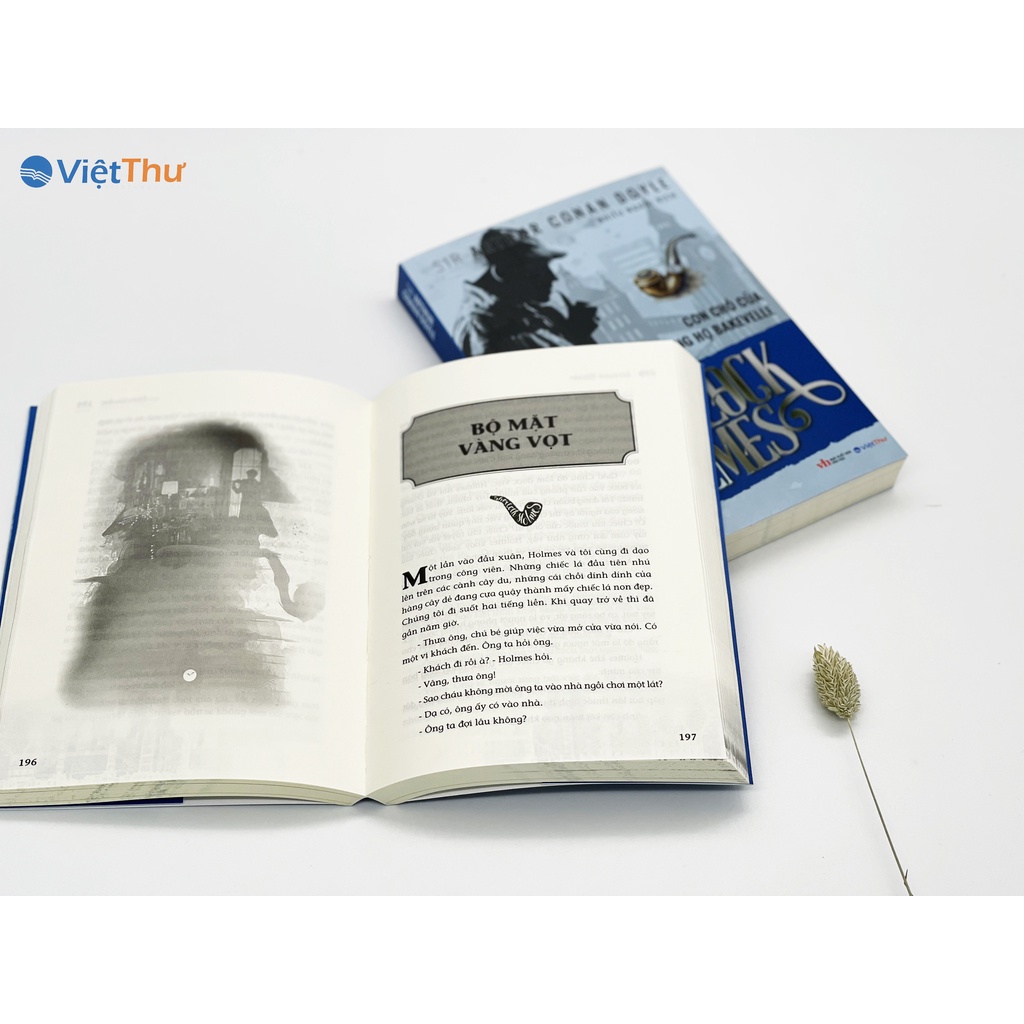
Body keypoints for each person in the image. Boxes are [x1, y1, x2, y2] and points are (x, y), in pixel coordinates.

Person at [454, 227, 599, 355]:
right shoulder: (479, 327)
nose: (552, 277)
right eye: (539, 271)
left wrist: (576, 334)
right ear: (504, 272)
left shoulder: (526, 307)